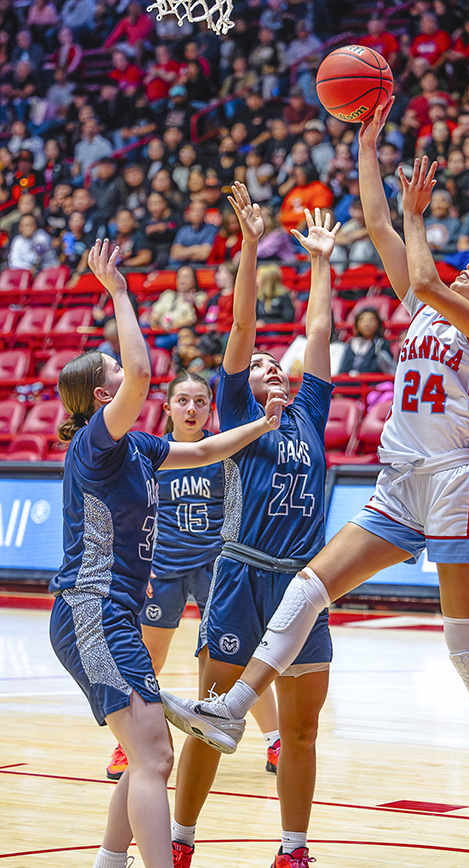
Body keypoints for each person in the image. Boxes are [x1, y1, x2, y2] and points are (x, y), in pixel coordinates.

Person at [160, 105, 469, 849]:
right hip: (398, 478)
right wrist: (365, 146)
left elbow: (426, 275)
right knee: (309, 585)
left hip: (456, 478)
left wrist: (417, 212)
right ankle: (233, 708)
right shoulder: (434, 310)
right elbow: (376, 228)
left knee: (464, 644)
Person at [49, 239, 285, 868]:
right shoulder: (98, 444)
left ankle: (109, 860)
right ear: (102, 397)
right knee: (154, 754)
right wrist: (120, 292)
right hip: (91, 610)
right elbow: (147, 373)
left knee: (147, 750)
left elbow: (206, 451)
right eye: (113, 373)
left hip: (110, 613)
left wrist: (262, 426)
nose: (125, 376)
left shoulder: (136, 447)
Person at [164, 184, 340, 868]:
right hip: (240, 576)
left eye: (276, 363)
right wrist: (247, 245)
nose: (268, 365)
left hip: (303, 586)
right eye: (260, 364)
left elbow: (318, 332)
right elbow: (241, 330)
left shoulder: (310, 413)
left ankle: (293, 849)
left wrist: (320, 260)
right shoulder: (238, 410)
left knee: (299, 729)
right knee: (210, 721)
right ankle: (181, 842)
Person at [106, 371, 280, 782]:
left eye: (200, 401)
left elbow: (244, 511)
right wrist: (133, 567)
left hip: (216, 570)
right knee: (148, 657)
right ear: (166, 407)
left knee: (235, 658)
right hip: (162, 568)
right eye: (182, 400)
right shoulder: (150, 454)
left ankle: (276, 739)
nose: (192, 408)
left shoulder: (224, 451)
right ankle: (130, 740)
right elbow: (129, 516)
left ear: (210, 407)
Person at [339, 307, 395, 376]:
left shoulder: (381, 343)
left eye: (371, 320)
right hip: (350, 383)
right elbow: (344, 367)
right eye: (362, 320)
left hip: (374, 383)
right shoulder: (351, 342)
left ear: (378, 323)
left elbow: (384, 369)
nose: (366, 324)